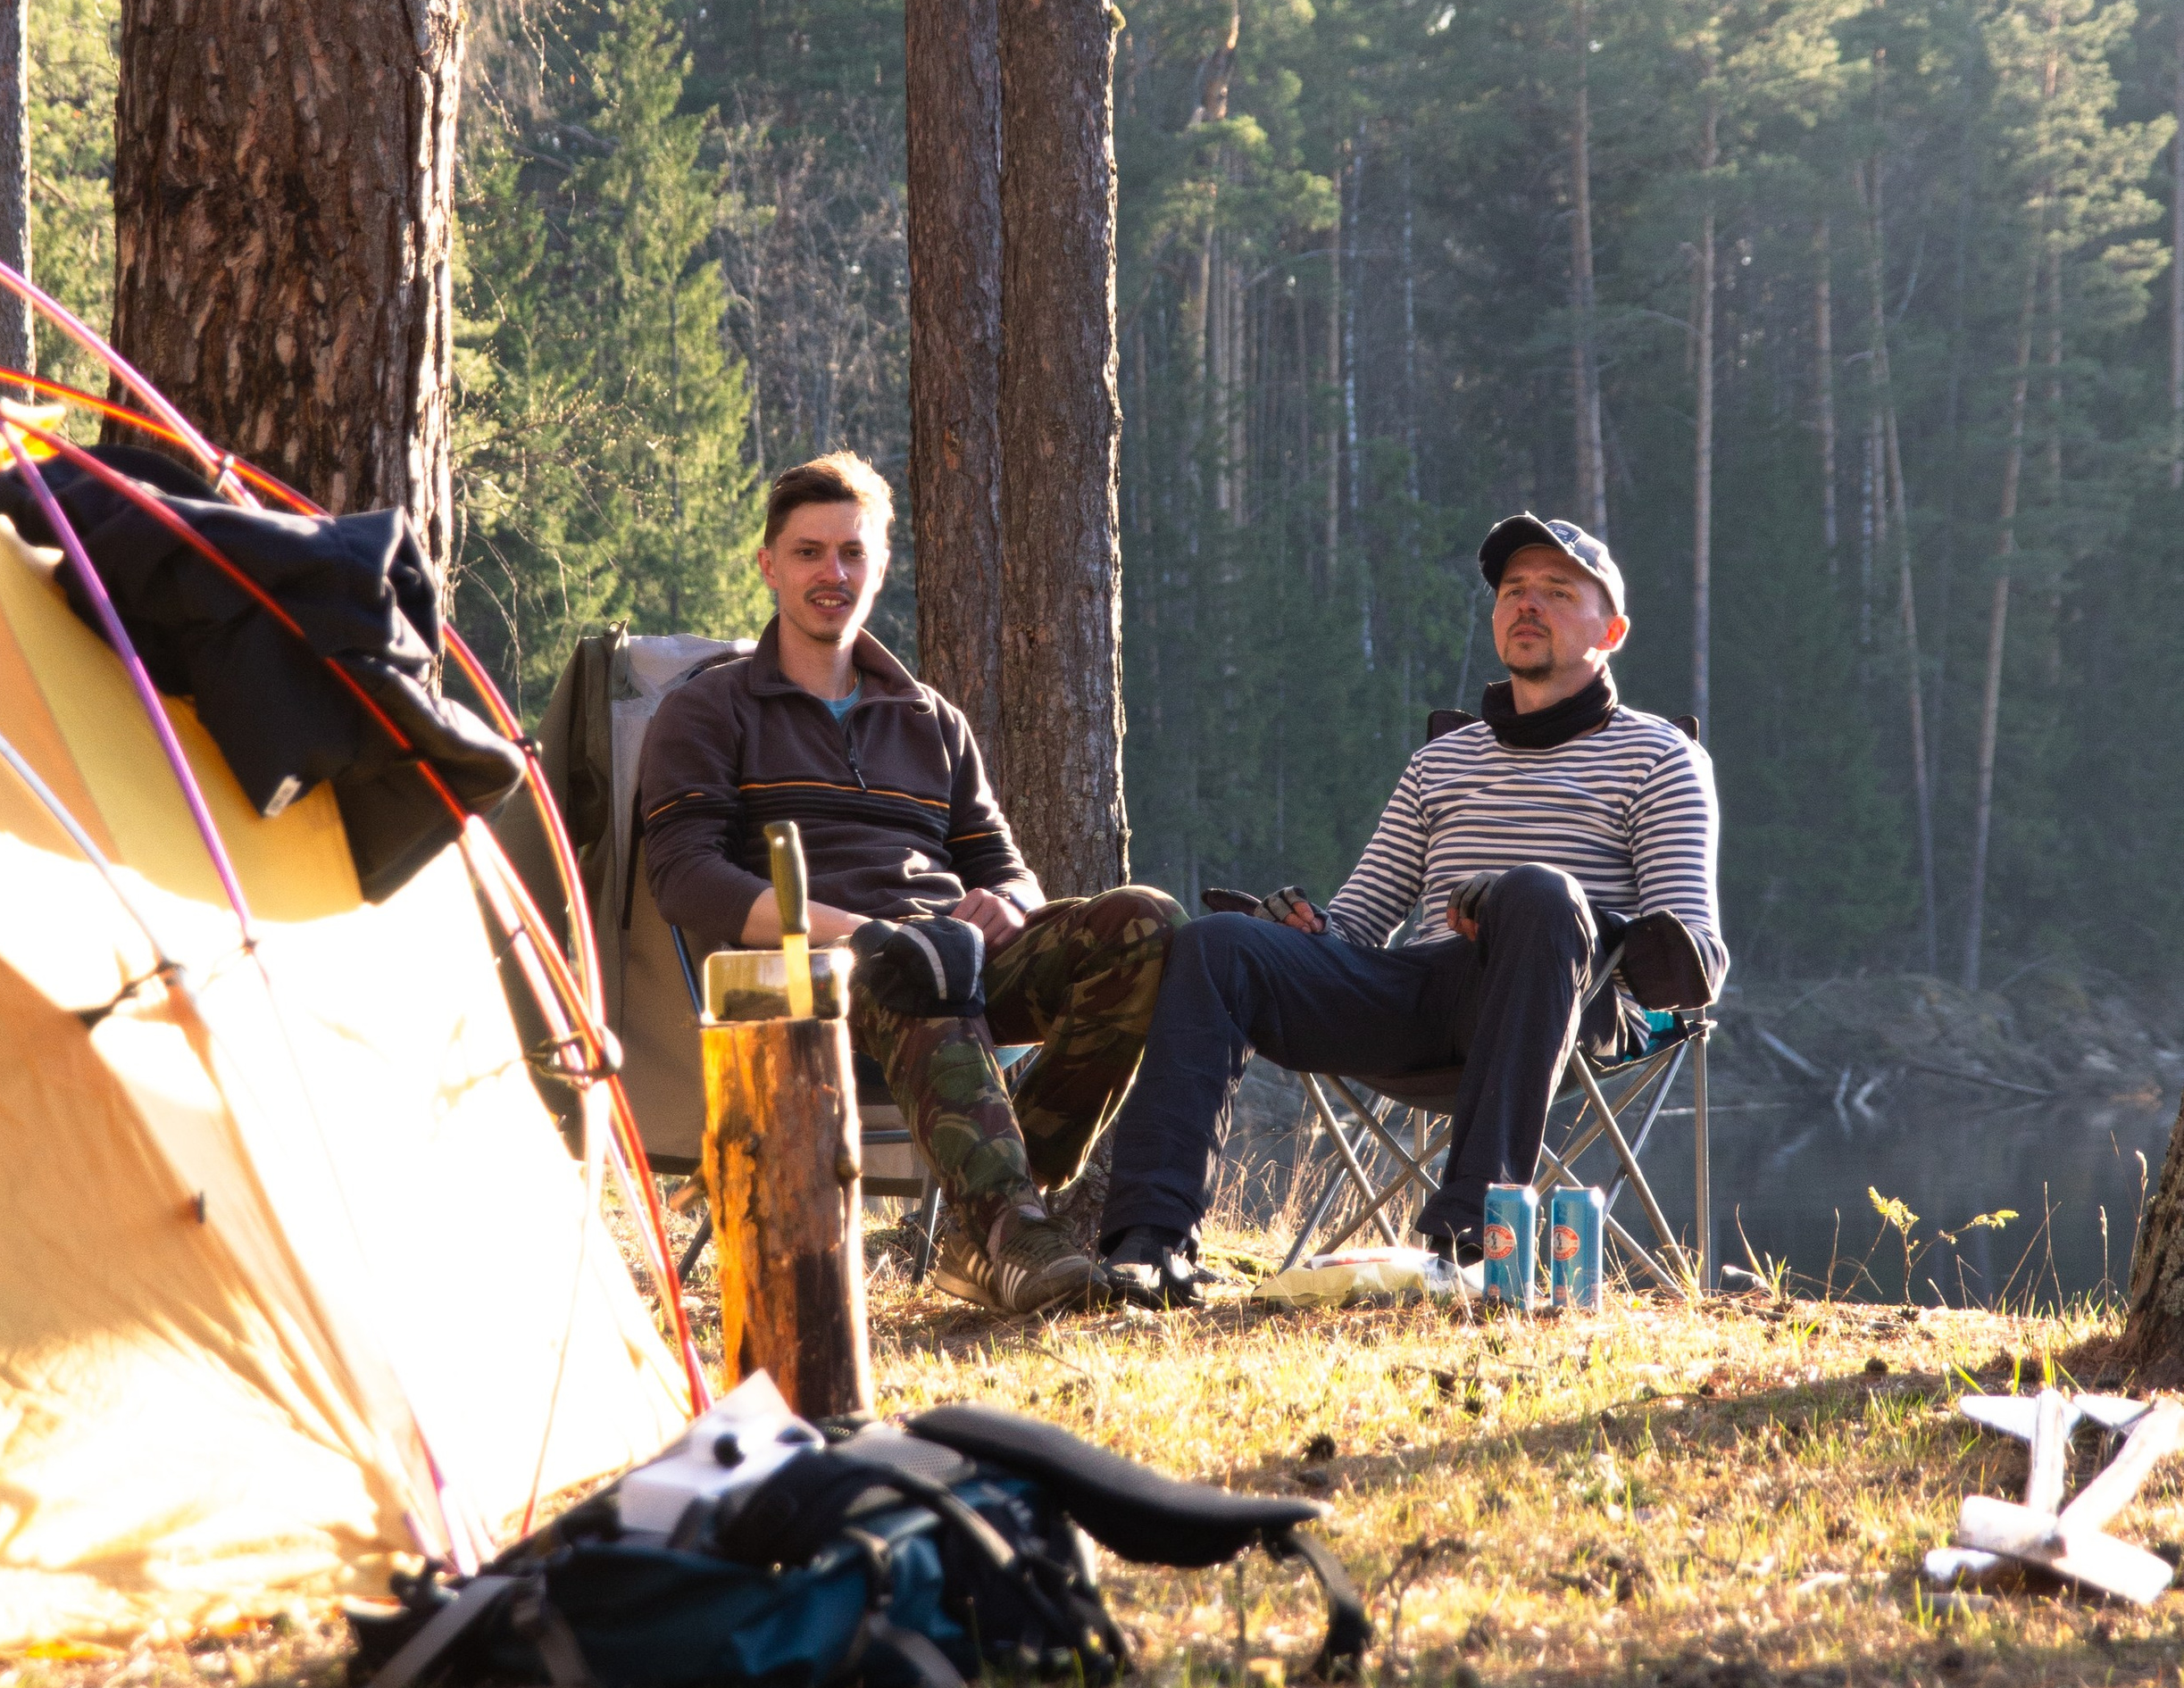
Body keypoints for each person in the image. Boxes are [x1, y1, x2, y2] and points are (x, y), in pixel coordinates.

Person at [1096, 511, 1727, 1301]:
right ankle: (1148, 1243)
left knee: (1537, 893)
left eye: (1558, 592)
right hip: (1426, 993)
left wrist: (1547, 913)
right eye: (1514, 589)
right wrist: (1304, 930)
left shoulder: (1661, 757)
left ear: (1614, 631)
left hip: (1573, 1000)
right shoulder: (1441, 761)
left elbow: (1694, 954)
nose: (1527, 604)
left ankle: (1467, 1244)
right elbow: (1361, 924)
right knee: (1218, 943)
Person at [638, 450, 1183, 1318]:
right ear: (768, 565)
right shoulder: (710, 709)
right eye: (810, 552)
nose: (833, 572)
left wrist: (1008, 908)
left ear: (880, 566)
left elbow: (1004, 864)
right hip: (802, 979)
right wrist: (856, 934)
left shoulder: (932, 721)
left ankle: (995, 1229)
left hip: (953, 956)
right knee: (912, 961)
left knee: (1147, 928)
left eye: (853, 552)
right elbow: (683, 876)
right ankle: (1016, 1236)